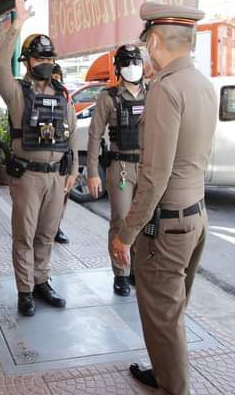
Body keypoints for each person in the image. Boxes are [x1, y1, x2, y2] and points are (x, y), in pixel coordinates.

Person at [110, 2, 217, 395]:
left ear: (153, 41)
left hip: (167, 224)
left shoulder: (165, 90)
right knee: (172, 310)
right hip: (195, 216)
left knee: (162, 315)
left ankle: (174, 386)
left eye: (146, 45)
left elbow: (154, 176)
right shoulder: (202, 84)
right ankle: (164, 372)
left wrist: (126, 234)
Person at [0, 0, 77, 317]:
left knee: (46, 234)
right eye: (39, 59)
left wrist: (73, 170)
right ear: (27, 61)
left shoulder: (62, 94)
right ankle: (25, 290)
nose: (45, 64)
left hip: (56, 177)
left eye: (48, 59)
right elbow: (0, 64)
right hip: (27, 176)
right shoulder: (16, 92)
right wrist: (17, 25)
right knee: (24, 236)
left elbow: (71, 133)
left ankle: (42, 281)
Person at [87, 45, 146, 296]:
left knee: (144, 220)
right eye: (126, 63)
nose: (132, 67)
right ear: (118, 68)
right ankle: (121, 273)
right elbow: (94, 135)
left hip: (147, 166)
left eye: (136, 62)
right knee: (121, 219)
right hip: (120, 167)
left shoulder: (154, 93)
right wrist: (92, 172)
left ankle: (137, 269)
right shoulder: (108, 97)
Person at [51, 63, 69, 244]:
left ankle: (56, 227)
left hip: (63, 155)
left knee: (63, 197)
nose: (56, 81)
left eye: (58, 78)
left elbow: (71, 129)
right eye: (53, 78)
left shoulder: (65, 98)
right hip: (48, 154)